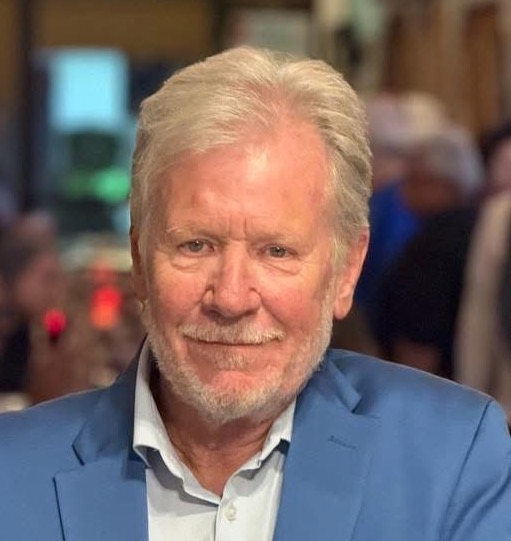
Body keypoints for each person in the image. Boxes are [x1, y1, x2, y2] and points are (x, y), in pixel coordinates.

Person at [0, 47, 510, 541]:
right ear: (139, 258)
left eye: (276, 251)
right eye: (196, 245)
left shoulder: (451, 460)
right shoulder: (13, 472)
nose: (231, 298)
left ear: (346, 271)